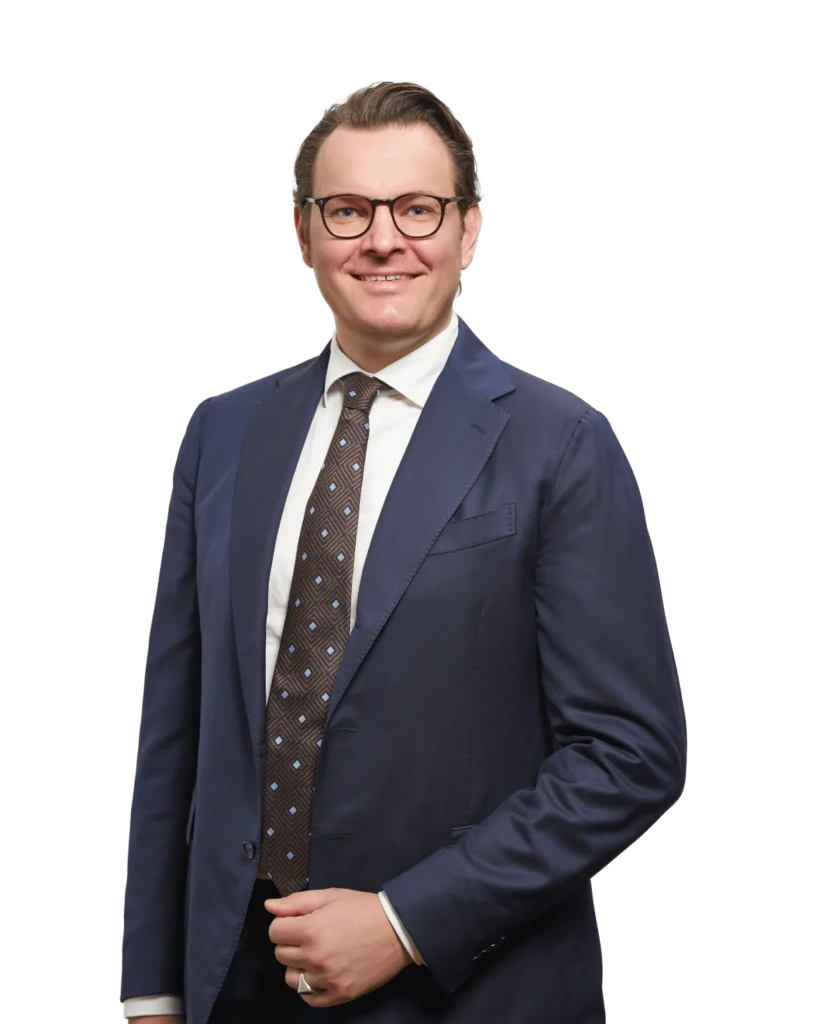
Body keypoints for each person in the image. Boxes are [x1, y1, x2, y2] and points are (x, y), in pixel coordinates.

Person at [120, 81, 687, 1023]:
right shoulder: (223, 433)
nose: (383, 240)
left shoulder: (561, 443)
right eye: (348, 210)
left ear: (469, 229)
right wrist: (152, 988)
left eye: (417, 209)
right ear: (304, 234)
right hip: (235, 984)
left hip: (466, 992)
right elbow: (175, 733)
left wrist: (403, 920)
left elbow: (630, 757)